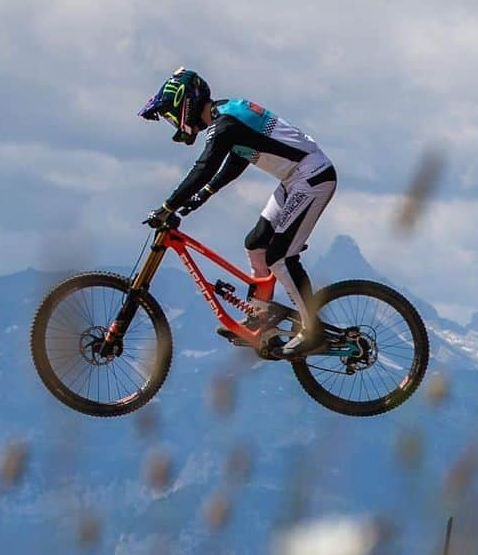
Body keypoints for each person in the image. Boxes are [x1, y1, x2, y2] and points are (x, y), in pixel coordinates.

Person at [139, 68, 336, 356]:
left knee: (279, 256)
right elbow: (238, 158)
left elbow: (204, 167)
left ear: (186, 105)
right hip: (296, 179)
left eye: (171, 115)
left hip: (311, 177)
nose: (172, 123)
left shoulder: (225, 123)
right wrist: (203, 195)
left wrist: (168, 206)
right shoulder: (227, 115)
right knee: (256, 244)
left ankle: (313, 331)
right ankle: (261, 318)